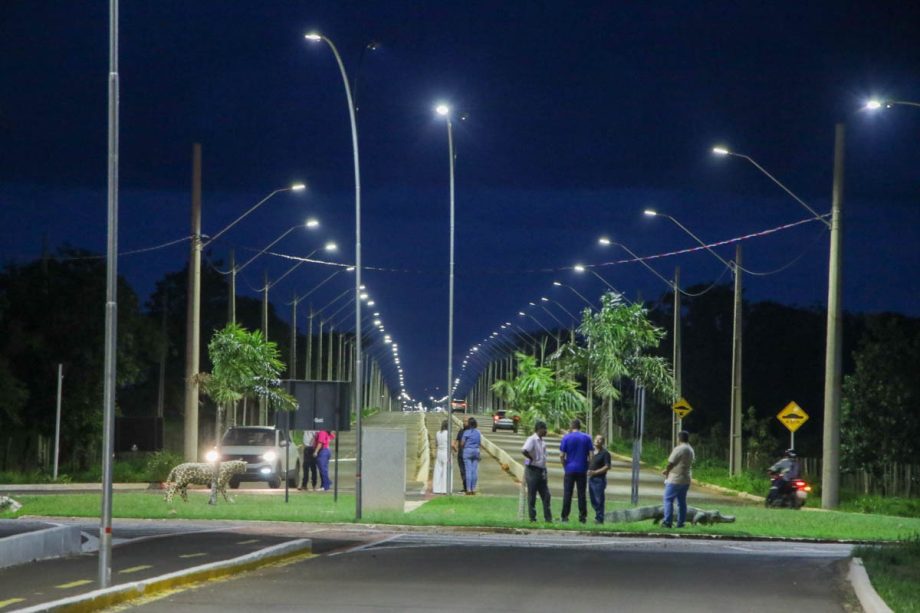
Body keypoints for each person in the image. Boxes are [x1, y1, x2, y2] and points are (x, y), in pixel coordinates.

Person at [559, 418, 593, 523]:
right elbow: (591, 455)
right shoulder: (587, 438)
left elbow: (561, 455)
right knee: (581, 494)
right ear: (580, 426)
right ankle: (582, 517)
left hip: (569, 469)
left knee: (567, 494)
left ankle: (565, 517)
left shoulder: (566, 438)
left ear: (571, 426)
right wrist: (588, 466)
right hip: (582, 469)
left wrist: (565, 465)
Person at [661, 430, 695, 528]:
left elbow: (671, 463)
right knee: (682, 502)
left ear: (679, 438)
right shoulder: (691, 449)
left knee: (668, 499)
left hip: (675, 479)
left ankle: (667, 522)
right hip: (686, 478)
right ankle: (681, 523)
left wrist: (667, 471)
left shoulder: (679, 448)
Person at [521, 420, 552, 522]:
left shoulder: (543, 442)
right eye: (545, 429)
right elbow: (524, 450)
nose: (546, 431)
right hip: (532, 470)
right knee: (532, 494)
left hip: (541, 470)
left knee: (546, 495)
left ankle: (548, 518)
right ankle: (532, 518)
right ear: (540, 429)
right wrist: (531, 458)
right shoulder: (532, 439)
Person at [587, 434, 611, 524]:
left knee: (599, 499)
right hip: (591, 479)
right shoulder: (591, 452)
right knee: (593, 499)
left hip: (599, 479)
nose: (597, 441)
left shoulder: (605, 453)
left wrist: (595, 472)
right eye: (596, 439)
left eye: (600, 440)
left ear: (603, 442)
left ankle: (600, 518)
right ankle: (598, 516)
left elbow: (607, 466)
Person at [459, 417, 482, 495]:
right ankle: (473, 488)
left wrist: (464, 446)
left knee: (468, 471)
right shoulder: (478, 432)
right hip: (476, 451)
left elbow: (462, 443)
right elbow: (479, 443)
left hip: (467, 451)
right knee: (474, 471)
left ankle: (468, 489)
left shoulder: (466, 432)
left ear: (469, 424)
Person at [452, 415, 470, 492]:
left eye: (466, 421)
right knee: (462, 471)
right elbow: (455, 442)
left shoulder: (471, 432)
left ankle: (468, 487)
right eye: (463, 421)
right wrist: (455, 448)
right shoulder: (461, 431)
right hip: (460, 454)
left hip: (468, 454)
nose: (464, 423)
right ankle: (465, 487)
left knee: (468, 471)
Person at [433, 420, 449, 494]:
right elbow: (451, 444)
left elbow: (436, 444)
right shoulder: (448, 433)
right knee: (446, 471)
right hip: (446, 453)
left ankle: (436, 488)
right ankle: (445, 489)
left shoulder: (437, 433)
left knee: (438, 471)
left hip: (439, 452)